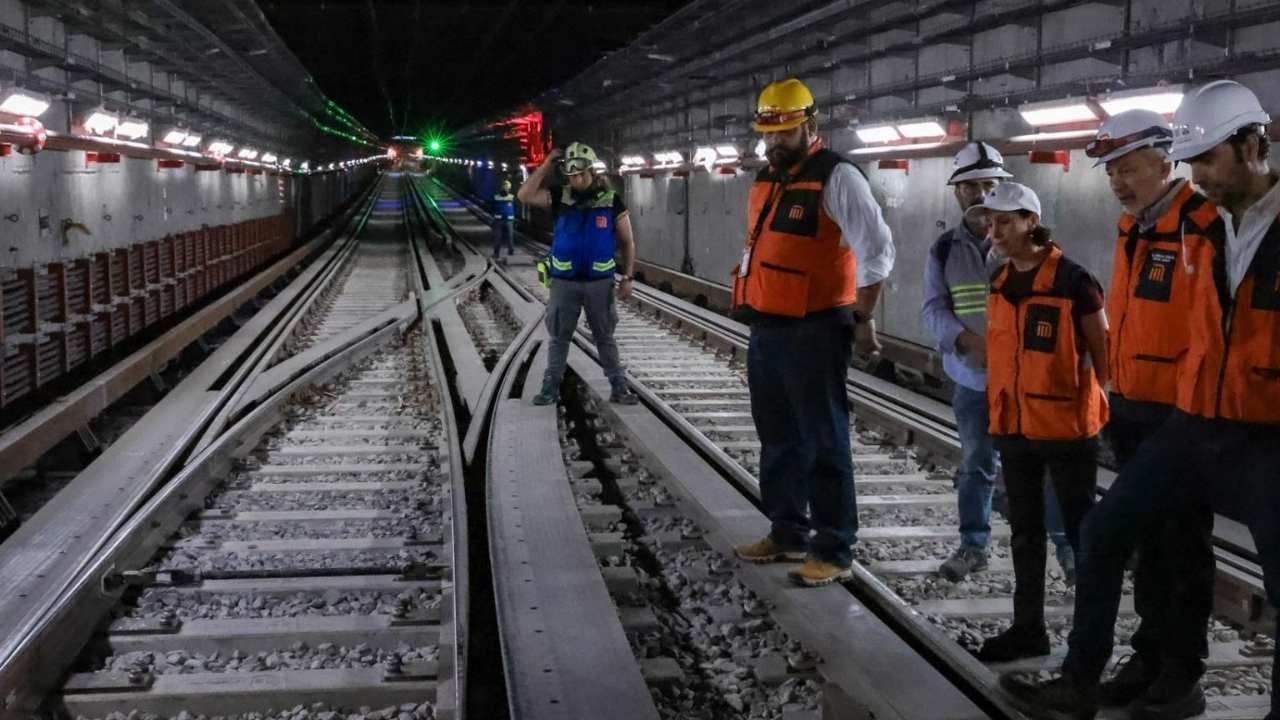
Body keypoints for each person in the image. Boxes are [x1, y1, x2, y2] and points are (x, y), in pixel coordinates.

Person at [1002, 79, 1280, 720]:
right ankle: (1092, 678)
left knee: (1199, 558)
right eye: (1195, 162)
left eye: (1208, 159)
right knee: (1109, 534)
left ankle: (1177, 673)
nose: (1200, 175)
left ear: (1251, 144)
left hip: (1260, 430)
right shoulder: (1203, 229)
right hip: (1189, 418)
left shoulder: (1205, 222)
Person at [729, 78, 895, 587]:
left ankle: (835, 546)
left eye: (785, 131)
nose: (775, 142)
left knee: (823, 439)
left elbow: (877, 251)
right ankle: (786, 531)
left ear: (810, 126)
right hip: (768, 326)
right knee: (778, 436)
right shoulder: (767, 178)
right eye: (768, 134)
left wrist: (862, 322)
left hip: (817, 327)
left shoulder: (837, 176)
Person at [1085, 108, 1217, 716]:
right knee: (1148, 544)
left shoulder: (1203, 224)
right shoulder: (1132, 227)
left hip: (1183, 417)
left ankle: (1181, 674)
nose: (1119, 180)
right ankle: (1148, 655)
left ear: (1167, 161)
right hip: (1135, 406)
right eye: (1113, 171)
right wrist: (1114, 393)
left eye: (1130, 168)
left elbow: (1210, 329)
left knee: (1183, 545)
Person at [970, 182, 1109, 663]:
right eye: (992, 223)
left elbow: (1102, 352)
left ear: (1032, 221)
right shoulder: (999, 281)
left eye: (1006, 222)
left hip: (1067, 429)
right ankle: (1029, 630)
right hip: (1014, 426)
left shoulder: (1074, 282)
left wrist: (1104, 411)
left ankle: (1087, 645)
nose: (996, 231)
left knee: (1081, 535)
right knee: (1025, 533)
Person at [921, 141, 1009, 582]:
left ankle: (1067, 553)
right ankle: (973, 546)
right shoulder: (943, 249)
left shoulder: (1023, 240)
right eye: (971, 187)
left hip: (1024, 381)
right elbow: (933, 308)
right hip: (973, 378)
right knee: (976, 464)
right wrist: (967, 342)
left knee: (1041, 469)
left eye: (989, 186)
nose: (980, 195)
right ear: (958, 193)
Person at [516, 142, 639, 406]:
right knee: (559, 338)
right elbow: (524, 195)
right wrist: (547, 162)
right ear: (567, 175)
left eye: (582, 174)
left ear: (592, 171)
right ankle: (550, 389)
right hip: (564, 283)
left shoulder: (610, 201)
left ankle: (619, 387)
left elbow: (628, 241)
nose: (578, 179)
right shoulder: (560, 196)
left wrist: (627, 278)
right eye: (572, 175)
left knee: (605, 337)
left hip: (599, 284)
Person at [492, 179, 516, 260]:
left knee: (503, 237)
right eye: (505, 188)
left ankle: (501, 252)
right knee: (502, 236)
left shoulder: (510, 197)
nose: (506, 189)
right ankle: (500, 252)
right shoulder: (510, 197)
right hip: (503, 220)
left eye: (507, 188)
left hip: (503, 220)